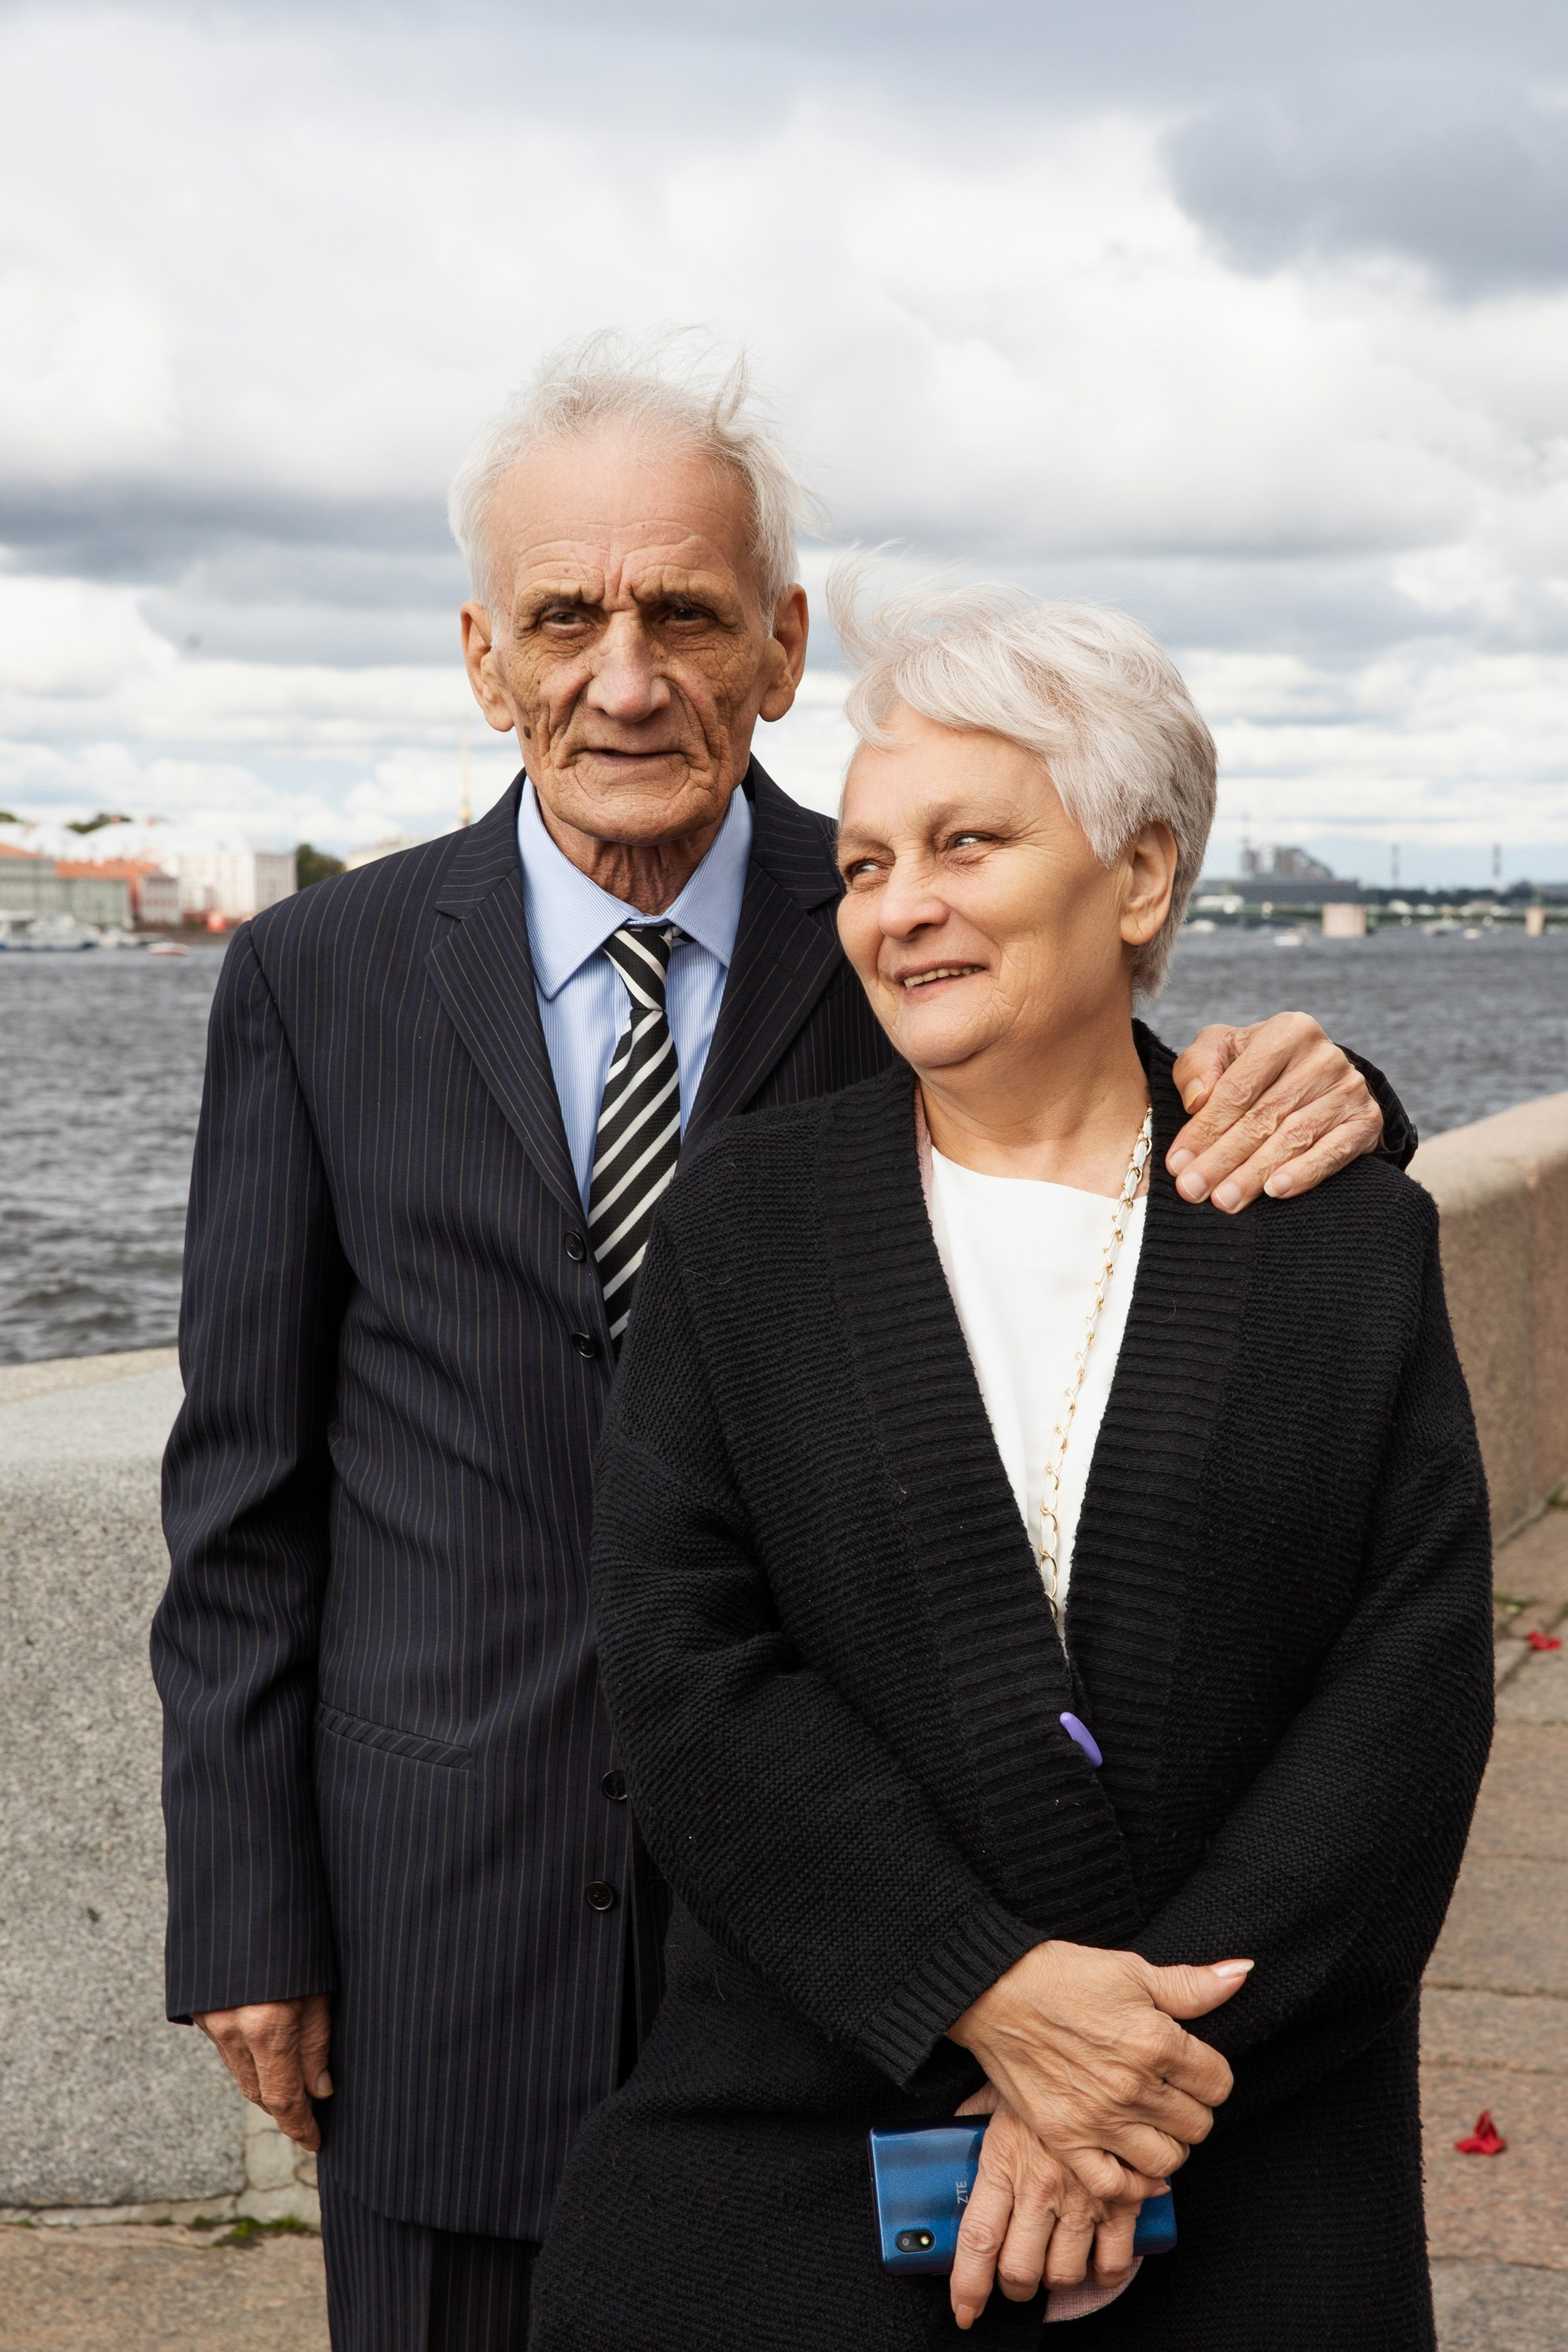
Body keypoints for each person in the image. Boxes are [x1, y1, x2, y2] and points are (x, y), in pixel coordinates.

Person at [152, 341, 1419, 2352]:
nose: (624, 675)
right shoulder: (323, 980)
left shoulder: (907, 919)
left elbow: (1121, 1112)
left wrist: (1342, 1095)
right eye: (565, 618)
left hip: (852, 1954)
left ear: (779, 642)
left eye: (685, 613)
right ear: (487, 659)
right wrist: (247, 1910)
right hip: (449, 1923)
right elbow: (242, 1490)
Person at [529, 578, 1494, 2351]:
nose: (899, 910)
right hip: (807, 2144)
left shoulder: (1339, 1243)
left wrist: (1114, 2090)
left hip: (1247, 2145)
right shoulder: (746, 1223)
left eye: (963, 843)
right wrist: (985, 1991)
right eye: (869, 865)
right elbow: (684, 1663)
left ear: (1137, 876)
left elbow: (1405, 1698)